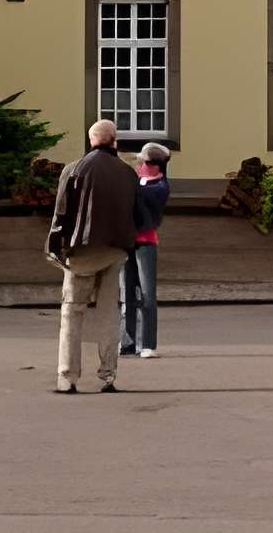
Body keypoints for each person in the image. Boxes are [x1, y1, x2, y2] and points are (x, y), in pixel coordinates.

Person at [43, 118, 138, 393]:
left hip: (81, 251)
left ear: (91, 139)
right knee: (109, 313)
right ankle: (108, 376)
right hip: (116, 250)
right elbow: (138, 214)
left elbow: (60, 213)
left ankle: (67, 377)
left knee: (72, 313)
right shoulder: (127, 172)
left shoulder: (74, 169)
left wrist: (56, 248)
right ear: (114, 140)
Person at [119, 142, 169, 358]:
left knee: (147, 295)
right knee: (126, 293)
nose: (138, 163)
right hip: (127, 242)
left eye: (143, 161)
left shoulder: (158, 188)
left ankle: (147, 344)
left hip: (145, 243)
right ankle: (128, 341)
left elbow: (138, 202)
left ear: (154, 166)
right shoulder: (139, 183)